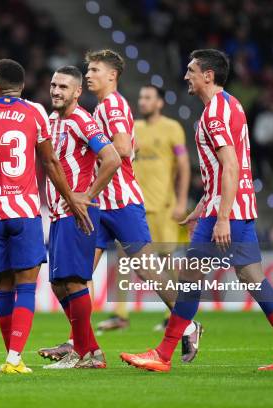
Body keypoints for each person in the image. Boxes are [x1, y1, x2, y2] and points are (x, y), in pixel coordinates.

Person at [120, 49, 273, 372]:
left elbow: (231, 164)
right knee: (252, 278)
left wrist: (220, 216)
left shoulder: (214, 114)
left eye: (191, 71)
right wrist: (201, 208)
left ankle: (163, 354)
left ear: (208, 75)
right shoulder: (230, 105)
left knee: (190, 279)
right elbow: (224, 170)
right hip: (238, 206)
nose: (186, 76)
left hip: (228, 211)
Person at [38, 49, 201, 363]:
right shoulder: (102, 107)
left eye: (95, 70)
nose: (89, 74)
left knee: (146, 269)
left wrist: (87, 189)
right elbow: (128, 144)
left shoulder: (112, 104)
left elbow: (122, 149)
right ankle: (81, 343)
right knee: (75, 277)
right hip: (101, 205)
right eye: (88, 70)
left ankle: (188, 325)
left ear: (112, 75)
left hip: (120, 201)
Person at [0, 59, 95, 374]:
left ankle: (11, 357)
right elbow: (50, 161)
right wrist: (72, 198)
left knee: (3, 287)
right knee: (26, 285)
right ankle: (14, 359)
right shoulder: (34, 112)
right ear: (22, 87)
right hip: (24, 211)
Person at [38, 66, 121, 369]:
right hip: (60, 213)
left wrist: (87, 195)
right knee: (59, 284)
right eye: (53, 85)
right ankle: (89, 350)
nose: (56, 91)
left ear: (77, 92)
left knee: (73, 282)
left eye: (63, 87)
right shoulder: (49, 121)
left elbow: (112, 158)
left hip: (79, 213)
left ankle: (86, 354)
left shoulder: (83, 121)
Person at [98, 85, 191, 332]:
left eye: (148, 97)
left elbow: (183, 164)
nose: (143, 101)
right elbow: (129, 150)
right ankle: (120, 314)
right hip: (131, 203)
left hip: (164, 206)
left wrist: (181, 201)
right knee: (123, 261)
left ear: (160, 102)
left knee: (166, 260)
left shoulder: (172, 128)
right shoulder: (133, 127)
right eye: (140, 97)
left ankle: (171, 314)